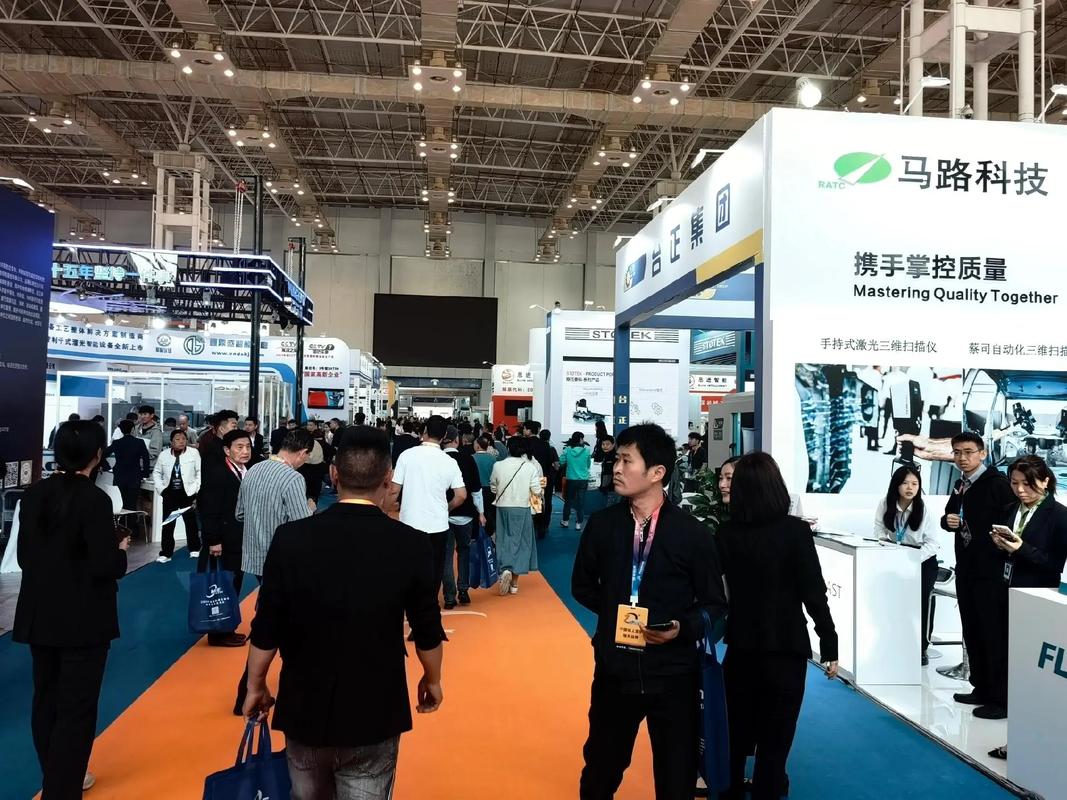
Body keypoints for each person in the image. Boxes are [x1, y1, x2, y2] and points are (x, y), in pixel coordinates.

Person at [242, 426, 445, 798]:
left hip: (304, 704)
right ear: (388, 479)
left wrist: (255, 684)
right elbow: (427, 628)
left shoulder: (290, 538)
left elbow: (267, 623)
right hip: (376, 707)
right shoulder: (412, 544)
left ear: (334, 474)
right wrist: (432, 679)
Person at [571, 423, 727, 799]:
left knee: (676, 777)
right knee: (601, 768)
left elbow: (715, 604)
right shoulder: (603, 526)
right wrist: (615, 613)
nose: (616, 468)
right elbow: (582, 586)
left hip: (674, 675)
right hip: (615, 671)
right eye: (617, 460)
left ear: (657, 472)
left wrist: (681, 628)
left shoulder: (691, 533)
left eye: (627, 461)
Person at [14, 420, 130, 797]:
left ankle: (56, 775)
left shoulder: (34, 496)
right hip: (83, 617)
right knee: (76, 707)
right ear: (97, 455)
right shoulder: (95, 500)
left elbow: (25, 557)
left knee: (46, 699)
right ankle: (63, 786)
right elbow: (104, 565)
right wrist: (120, 552)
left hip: (39, 613)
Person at [715, 451, 838, 800]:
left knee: (735, 732)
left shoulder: (726, 533)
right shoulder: (795, 532)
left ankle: (730, 791)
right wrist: (829, 641)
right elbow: (813, 592)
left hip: (741, 647)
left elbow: (713, 592)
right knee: (776, 737)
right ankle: (768, 790)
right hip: (786, 647)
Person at [985, 456, 1067, 757]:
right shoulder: (1011, 509)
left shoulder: (1059, 516)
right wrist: (1002, 545)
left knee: (1030, 666)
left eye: (1027, 484)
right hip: (1005, 590)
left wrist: (1022, 549)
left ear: (1045, 481)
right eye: (1015, 483)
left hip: (1038, 599)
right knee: (1005, 653)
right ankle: (1005, 710)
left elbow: (1055, 563)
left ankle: (1025, 735)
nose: (1020, 490)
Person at [231, 428, 315, 713]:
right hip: (283, 561)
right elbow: (301, 525)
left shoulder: (252, 470)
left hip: (254, 556)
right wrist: (310, 508)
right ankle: (251, 690)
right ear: (302, 452)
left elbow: (240, 513)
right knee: (280, 623)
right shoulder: (293, 479)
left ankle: (252, 690)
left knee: (269, 619)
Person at [940, 432, 1015, 718]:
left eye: (968, 452)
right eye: (957, 452)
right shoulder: (961, 483)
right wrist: (947, 521)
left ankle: (1000, 697)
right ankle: (980, 687)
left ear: (982, 453)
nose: (962, 457)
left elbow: (1010, 523)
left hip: (990, 571)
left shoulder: (998, 484)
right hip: (967, 567)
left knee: (992, 633)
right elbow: (950, 515)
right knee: (972, 630)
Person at [393, 415, 468, 602]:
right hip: (438, 524)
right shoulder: (449, 462)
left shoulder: (407, 456)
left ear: (424, 431)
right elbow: (461, 495)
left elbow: (394, 491)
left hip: (410, 523)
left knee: (409, 568)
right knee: (434, 570)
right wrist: (446, 508)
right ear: (444, 437)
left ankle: (411, 605)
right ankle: (429, 604)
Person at [874, 465, 939, 665]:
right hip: (895, 558)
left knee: (921, 605)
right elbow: (879, 529)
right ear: (896, 485)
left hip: (922, 561)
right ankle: (895, 643)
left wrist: (911, 559)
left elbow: (932, 544)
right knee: (894, 603)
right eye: (905, 483)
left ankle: (921, 649)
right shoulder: (885, 503)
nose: (910, 488)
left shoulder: (924, 509)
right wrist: (886, 546)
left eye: (914, 484)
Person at [197, 429, 253, 647]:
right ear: (227, 450)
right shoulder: (219, 473)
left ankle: (227, 628)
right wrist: (213, 540)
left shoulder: (244, 470)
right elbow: (209, 509)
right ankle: (218, 633)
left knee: (233, 584)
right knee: (221, 587)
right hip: (223, 540)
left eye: (247, 446)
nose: (245, 451)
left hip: (238, 539)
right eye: (239, 447)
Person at [490, 437, 544, 596]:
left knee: (503, 539)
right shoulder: (530, 467)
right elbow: (536, 490)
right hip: (522, 508)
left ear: (508, 448)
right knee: (521, 543)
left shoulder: (498, 465)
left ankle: (504, 568)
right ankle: (514, 583)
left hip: (502, 506)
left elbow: (493, 487)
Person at [442, 426, 484, 609]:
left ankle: (449, 596)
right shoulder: (468, 459)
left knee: (446, 555)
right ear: (457, 440)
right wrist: (481, 512)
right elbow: (476, 490)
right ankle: (463, 590)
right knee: (464, 551)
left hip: (442, 516)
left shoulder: (438, 460)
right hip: (466, 515)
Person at [152, 429, 202, 563]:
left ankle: (194, 548)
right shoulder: (164, 455)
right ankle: (166, 553)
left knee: (191, 523)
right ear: (171, 442)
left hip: (188, 493)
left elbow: (199, 472)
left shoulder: (193, 453)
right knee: (168, 524)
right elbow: (156, 473)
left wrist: (196, 490)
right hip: (169, 493)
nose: (181, 442)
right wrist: (161, 489)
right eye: (178, 439)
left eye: (184, 439)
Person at [105, 419, 151, 516]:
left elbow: (103, 454)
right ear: (133, 429)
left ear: (121, 430)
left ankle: (120, 524)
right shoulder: (139, 442)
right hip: (134, 477)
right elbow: (146, 459)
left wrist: (107, 467)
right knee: (131, 504)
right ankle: (131, 524)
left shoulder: (117, 443)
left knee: (119, 503)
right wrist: (145, 474)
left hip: (119, 476)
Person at [523, 421, 555, 537]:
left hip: (527, 477)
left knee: (526, 500)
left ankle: (529, 525)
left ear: (529, 430)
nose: (523, 431)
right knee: (539, 500)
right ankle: (542, 525)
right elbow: (549, 463)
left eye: (524, 428)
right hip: (543, 476)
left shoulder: (523, 443)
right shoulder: (545, 444)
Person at [561, 431, 592, 530]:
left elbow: (561, 461)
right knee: (580, 502)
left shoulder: (567, 450)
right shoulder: (587, 451)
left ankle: (565, 521)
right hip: (583, 480)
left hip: (571, 479)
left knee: (568, 501)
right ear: (581, 439)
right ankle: (579, 523)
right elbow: (588, 465)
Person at [473, 435, 499, 535]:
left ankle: (478, 533)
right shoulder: (492, 458)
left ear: (478, 446)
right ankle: (489, 532)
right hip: (490, 489)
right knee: (489, 512)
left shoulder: (472, 458)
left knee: (477, 511)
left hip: (476, 489)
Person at [596, 435, 620, 507]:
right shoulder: (606, 456)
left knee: (612, 507)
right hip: (610, 488)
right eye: (603, 444)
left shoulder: (615, 457)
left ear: (613, 445)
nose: (605, 446)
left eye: (607, 444)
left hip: (614, 488)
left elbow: (610, 473)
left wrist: (604, 486)